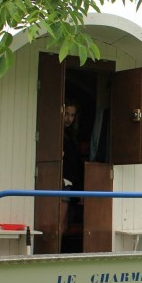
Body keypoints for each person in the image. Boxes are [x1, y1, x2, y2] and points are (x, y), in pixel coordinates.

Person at [60, 99, 82, 242]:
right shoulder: (57, 136)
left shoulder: (71, 136)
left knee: (64, 224)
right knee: (60, 224)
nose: (69, 118)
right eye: (66, 114)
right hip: (62, 183)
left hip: (70, 183)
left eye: (72, 115)